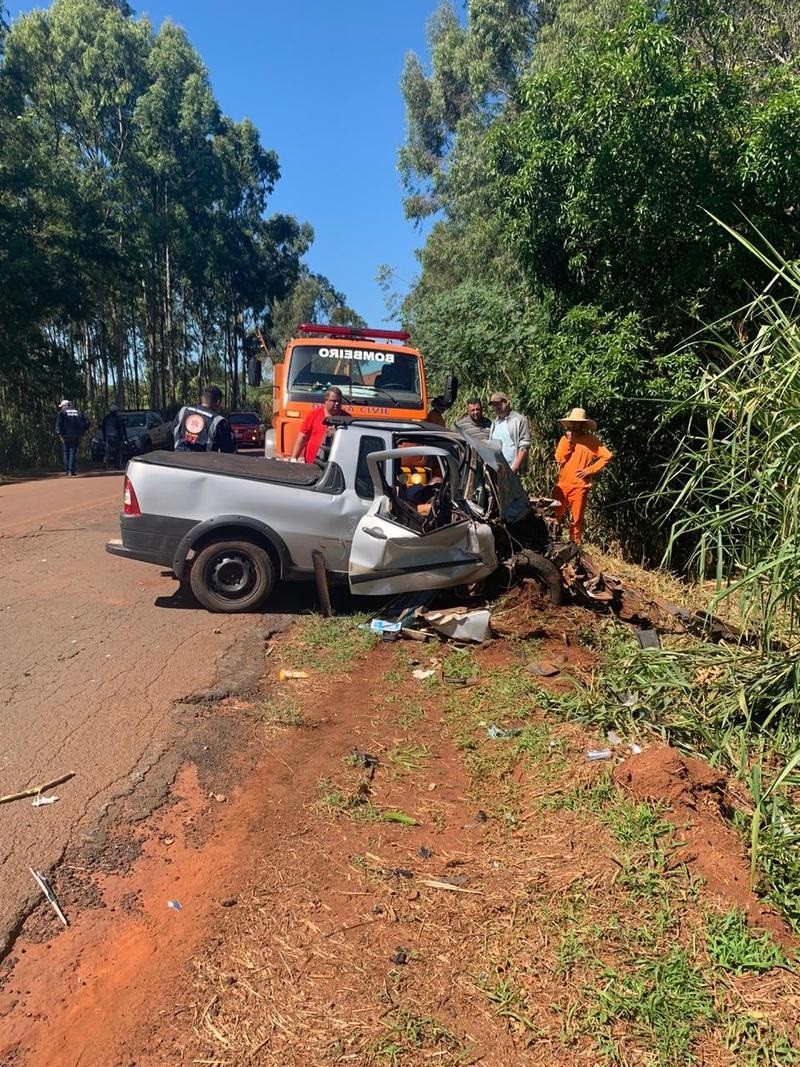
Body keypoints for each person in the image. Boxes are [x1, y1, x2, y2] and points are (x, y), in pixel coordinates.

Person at [553, 407, 613, 544]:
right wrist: (569, 441)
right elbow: (559, 459)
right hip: (562, 484)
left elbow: (607, 456)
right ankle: (552, 542)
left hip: (580, 486)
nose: (575, 425)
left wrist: (590, 469)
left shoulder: (591, 440)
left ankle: (575, 546)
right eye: (573, 422)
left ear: (583, 424)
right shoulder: (564, 439)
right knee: (554, 515)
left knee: (577, 518)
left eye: (578, 422)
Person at [291, 387, 350, 464]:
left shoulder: (347, 418)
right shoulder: (314, 415)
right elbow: (302, 437)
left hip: (336, 464)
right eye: (334, 401)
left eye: (339, 401)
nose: (337, 404)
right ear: (325, 401)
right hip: (312, 463)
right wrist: (294, 458)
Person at [174, 387, 236, 453]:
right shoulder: (218, 421)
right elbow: (228, 449)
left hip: (179, 458)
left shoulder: (183, 411)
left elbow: (173, 432)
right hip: (205, 461)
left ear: (202, 399)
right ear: (218, 402)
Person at [489, 392, 531, 474]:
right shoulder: (494, 424)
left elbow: (524, 445)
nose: (496, 407)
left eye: (498, 404)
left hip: (512, 470)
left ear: (507, 402)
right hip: (497, 471)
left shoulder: (519, 420)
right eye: (494, 405)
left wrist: (515, 468)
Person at [55, 399, 89, 476]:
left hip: (65, 436)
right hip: (75, 435)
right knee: (72, 452)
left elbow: (58, 425)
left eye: (61, 406)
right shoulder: (77, 412)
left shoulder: (62, 413)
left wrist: (59, 435)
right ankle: (71, 470)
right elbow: (87, 421)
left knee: (66, 453)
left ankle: (67, 470)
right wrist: (83, 430)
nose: (61, 408)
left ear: (64, 406)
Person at [101, 404, 128, 471]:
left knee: (107, 451)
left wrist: (104, 437)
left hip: (108, 437)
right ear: (115, 411)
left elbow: (103, 428)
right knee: (118, 451)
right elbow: (121, 429)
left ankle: (106, 462)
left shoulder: (106, 418)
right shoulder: (118, 418)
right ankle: (117, 465)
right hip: (116, 437)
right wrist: (124, 438)